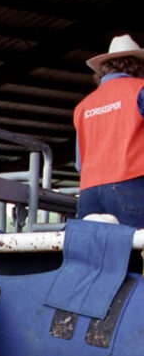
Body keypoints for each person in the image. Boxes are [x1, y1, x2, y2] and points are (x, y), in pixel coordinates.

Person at [73, 34, 144, 240]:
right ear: (137, 66)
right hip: (130, 186)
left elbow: (80, 164)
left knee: (93, 260)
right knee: (138, 254)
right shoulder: (139, 91)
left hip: (89, 194)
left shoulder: (84, 106)